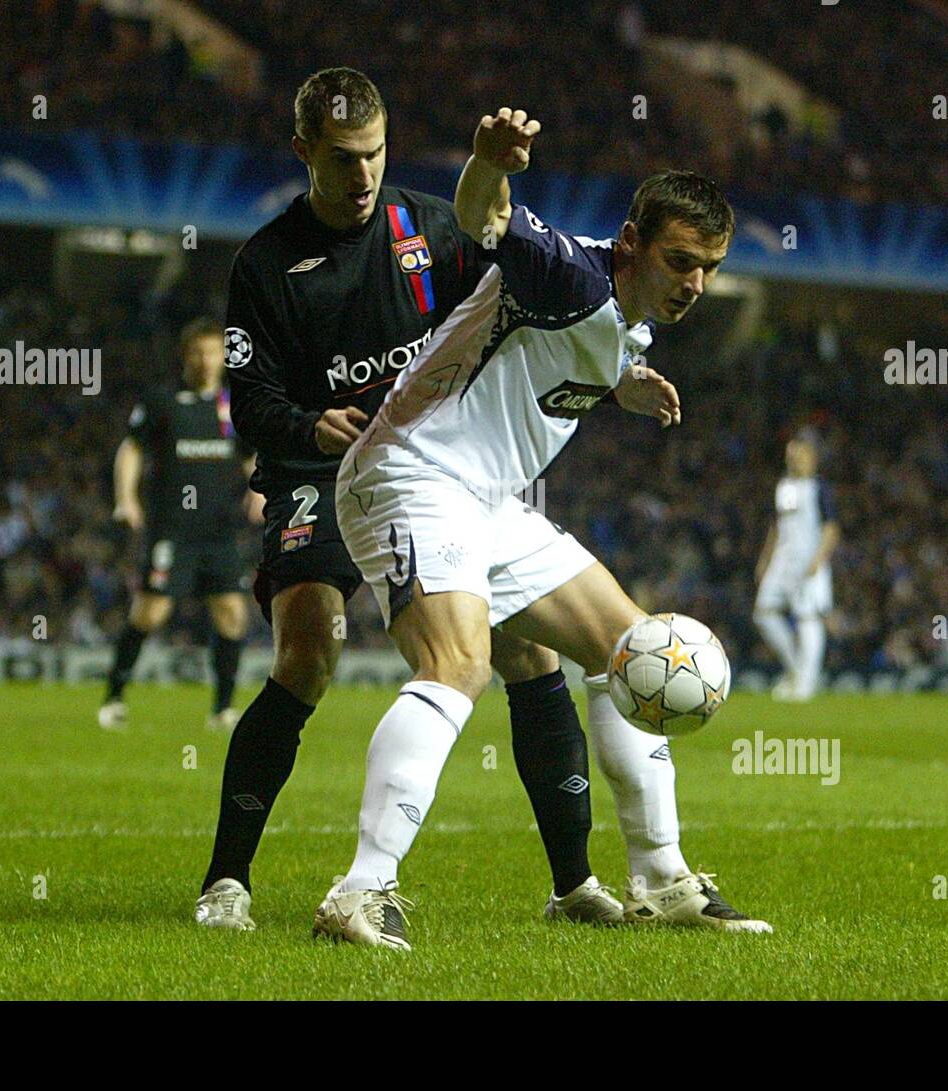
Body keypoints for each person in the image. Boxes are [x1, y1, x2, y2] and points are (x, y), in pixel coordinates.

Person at [313, 107, 772, 949]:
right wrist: (489, 161)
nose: (694, 284)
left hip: (486, 501)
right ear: (633, 239)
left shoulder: (626, 315)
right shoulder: (568, 270)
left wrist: (622, 380)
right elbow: (483, 214)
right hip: (410, 472)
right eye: (680, 261)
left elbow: (572, 351)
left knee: (631, 649)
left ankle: (663, 880)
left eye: (708, 269)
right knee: (460, 663)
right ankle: (360, 890)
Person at [196, 69, 615, 932]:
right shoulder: (269, 262)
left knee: (528, 653)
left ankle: (574, 886)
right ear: (303, 149)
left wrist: (613, 369)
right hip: (319, 470)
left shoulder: (428, 226)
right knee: (310, 650)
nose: (362, 176)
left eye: (376, 155)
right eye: (344, 159)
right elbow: (249, 399)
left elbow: (527, 292)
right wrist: (312, 425)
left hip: (433, 474)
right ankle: (226, 881)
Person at [98, 319, 262, 732]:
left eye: (213, 352)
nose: (206, 360)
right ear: (186, 356)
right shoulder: (163, 401)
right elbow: (131, 449)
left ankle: (222, 709)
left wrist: (258, 490)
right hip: (172, 529)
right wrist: (126, 498)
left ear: (224, 357)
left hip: (219, 532)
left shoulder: (231, 406)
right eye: (198, 352)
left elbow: (250, 457)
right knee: (151, 612)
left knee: (231, 614)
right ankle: (114, 696)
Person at [753, 438, 839, 701]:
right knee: (763, 613)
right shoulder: (783, 487)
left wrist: (819, 557)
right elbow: (776, 527)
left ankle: (806, 683)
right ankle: (795, 669)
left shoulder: (819, 488)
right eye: (791, 456)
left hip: (808, 561)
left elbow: (831, 527)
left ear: (811, 458)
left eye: (799, 455)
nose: (794, 460)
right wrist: (765, 560)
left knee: (808, 617)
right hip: (782, 561)